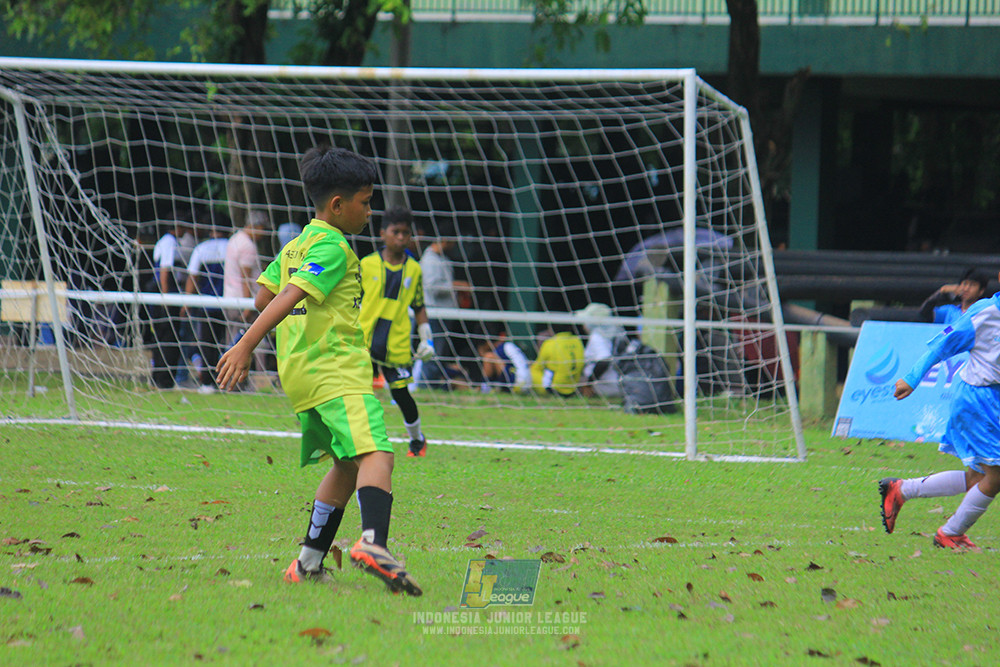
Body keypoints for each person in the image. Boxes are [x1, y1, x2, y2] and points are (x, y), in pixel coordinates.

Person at [215, 146, 421, 595]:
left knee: (346, 464)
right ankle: (373, 543)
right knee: (378, 452)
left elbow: (264, 297)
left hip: (301, 373)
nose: (370, 211)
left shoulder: (297, 245)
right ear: (338, 205)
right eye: (365, 202)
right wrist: (246, 344)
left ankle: (307, 563)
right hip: (335, 369)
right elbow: (289, 296)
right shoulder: (332, 246)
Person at [882, 272, 1000, 551]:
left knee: (977, 477)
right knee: (995, 476)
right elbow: (943, 344)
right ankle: (950, 533)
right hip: (977, 400)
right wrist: (912, 378)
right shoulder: (985, 313)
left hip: (994, 400)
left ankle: (901, 489)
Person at [359, 206, 435, 458]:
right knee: (358, 392)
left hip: (397, 344)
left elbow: (419, 306)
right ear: (383, 233)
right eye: (396, 232)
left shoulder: (414, 269)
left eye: (406, 233)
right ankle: (359, 439)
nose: (401, 237)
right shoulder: (366, 264)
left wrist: (426, 339)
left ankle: (417, 439)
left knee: (401, 394)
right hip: (365, 341)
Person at [418, 221, 471, 390]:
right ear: (447, 240)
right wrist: (457, 285)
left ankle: (431, 387)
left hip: (445, 315)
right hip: (434, 316)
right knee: (432, 354)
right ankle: (424, 387)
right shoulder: (429, 260)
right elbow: (432, 287)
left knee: (439, 355)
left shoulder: (444, 259)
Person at [182, 212, 230, 394]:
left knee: (207, 343)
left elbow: (192, 277)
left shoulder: (201, 249)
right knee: (228, 342)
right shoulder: (231, 247)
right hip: (229, 302)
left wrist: (187, 301)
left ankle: (209, 383)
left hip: (206, 303)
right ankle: (229, 382)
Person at [148, 213, 195, 389]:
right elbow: (164, 270)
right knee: (168, 336)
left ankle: (159, 378)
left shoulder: (166, 241)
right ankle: (164, 380)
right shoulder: (169, 242)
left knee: (163, 336)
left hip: (163, 292)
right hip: (165, 293)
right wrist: (166, 297)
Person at [224, 210, 271, 385]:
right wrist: (247, 304)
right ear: (256, 226)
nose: (263, 233)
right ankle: (253, 380)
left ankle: (231, 380)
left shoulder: (234, 239)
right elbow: (246, 277)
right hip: (243, 300)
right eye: (263, 228)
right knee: (251, 342)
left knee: (232, 339)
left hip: (229, 297)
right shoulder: (247, 246)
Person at [575, 302, 624, 398]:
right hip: (620, 382)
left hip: (606, 384)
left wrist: (588, 384)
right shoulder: (618, 333)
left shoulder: (598, 336)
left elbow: (604, 360)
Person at [918, 267, 989, 324]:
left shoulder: (984, 312)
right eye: (965, 283)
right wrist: (940, 292)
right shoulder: (949, 311)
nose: (966, 288)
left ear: (981, 291)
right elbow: (924, 314)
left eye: (972, 285)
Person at [530, 322, 585, 397]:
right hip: (573, 388)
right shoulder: (578, 340)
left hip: (555, 389)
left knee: (533, 370)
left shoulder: (550, 343)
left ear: (551, 328)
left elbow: (538, 366)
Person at [476, 322, 531, 394]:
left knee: (488, 357)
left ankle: (485, 389)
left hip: (518, 382)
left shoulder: (503, 347)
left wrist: (483, 353)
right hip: (527, 382)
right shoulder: (508, 346)